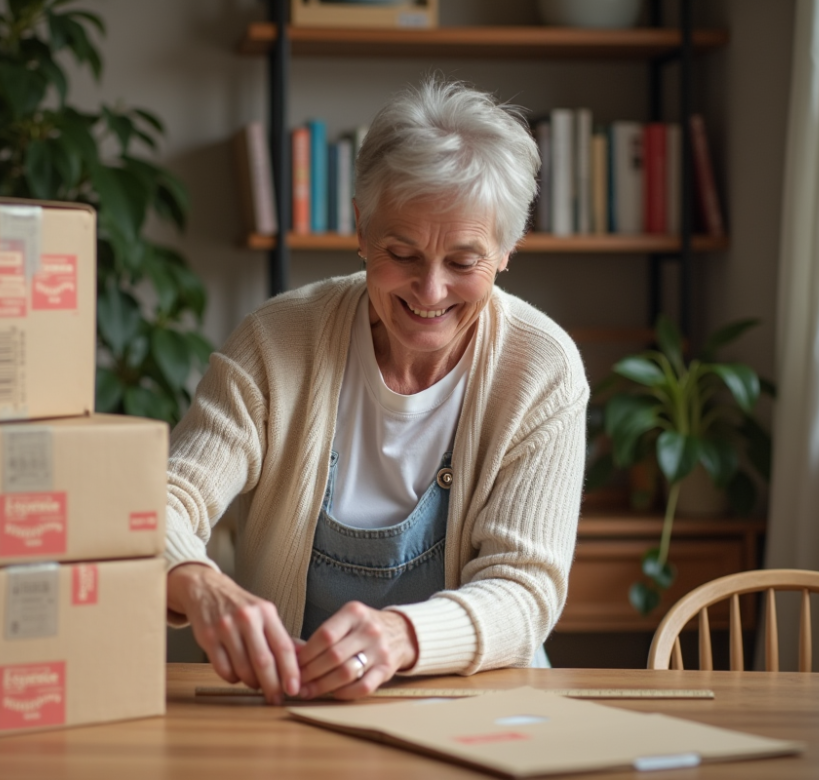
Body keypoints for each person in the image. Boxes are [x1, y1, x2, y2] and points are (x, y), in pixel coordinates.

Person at [164, 78, 589, 703]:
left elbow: (525, 591)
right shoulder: (277, 341)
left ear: (506, 249)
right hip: (302, 713)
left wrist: (399, 636)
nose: (430, 291)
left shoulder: (541, 368)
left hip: (489, 708)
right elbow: (160, 502)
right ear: (361, 228)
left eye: (464, 262)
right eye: (402, 252)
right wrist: (200, 582)